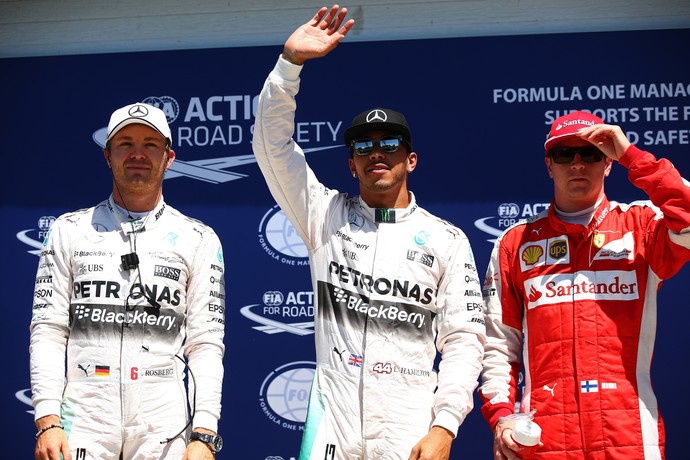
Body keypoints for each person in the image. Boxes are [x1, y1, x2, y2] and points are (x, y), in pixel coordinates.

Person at [252, 5, 486, 460]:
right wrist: (289, 65)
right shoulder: (323, 214)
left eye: (390, 144)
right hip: (331, 425)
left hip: (409, 426)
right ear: (350, 163)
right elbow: (271, 146)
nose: (376, 153)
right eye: (362, 145)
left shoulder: (447, 240)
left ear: (410, 159)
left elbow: (463, 341)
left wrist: (445, 426)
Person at [479, 110, 690, 459]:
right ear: (550, 165)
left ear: (607, 163)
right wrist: (503, 417)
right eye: (565, 154)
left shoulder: (642, 225)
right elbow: (500, 347)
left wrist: (631, 156)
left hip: (630, 437)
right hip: (545, 440)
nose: (577, 164)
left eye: (591, 153)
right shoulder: (515, 243)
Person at [30, 102, 226, 460]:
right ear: (108, 156)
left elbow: (206, 344)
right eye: (126, 144)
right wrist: (47, 419)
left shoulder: (199, 238)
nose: (138, 154)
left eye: (151, 144)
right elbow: (48, 330)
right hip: (84, 414)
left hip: (164, 417)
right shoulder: (67, 231)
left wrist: (205, 433)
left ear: (169, 157)